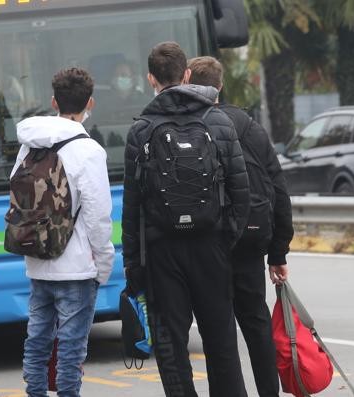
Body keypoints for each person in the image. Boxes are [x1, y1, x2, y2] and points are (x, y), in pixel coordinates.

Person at [122, 42, 251, 397]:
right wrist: (225, 240)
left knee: (171, 342)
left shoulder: (141, 130)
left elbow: (132, 207)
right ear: (188, 74)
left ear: (151, 79)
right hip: (211, 246)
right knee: (220, 339)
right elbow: (242, 194)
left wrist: (133, 264)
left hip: (163, 252)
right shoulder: (219, 121)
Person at [186, 56, 294, 397]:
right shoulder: (249, 126)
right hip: (250, 239)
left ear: (189, 82)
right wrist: (278, 251)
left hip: (210, 240)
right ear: (220, 85)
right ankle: (268, 393)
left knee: (218, 329)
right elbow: (277, 188)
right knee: (256, 321)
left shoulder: (191, 126)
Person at [16, 67, 115, 397]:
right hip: (76, 266)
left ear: (53, 101)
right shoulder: (89, 151)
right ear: (91, 103)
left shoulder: (29, 145)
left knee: (37, 341)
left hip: (37, 260)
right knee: (71, 348)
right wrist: (103, 266)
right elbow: (99, 215)